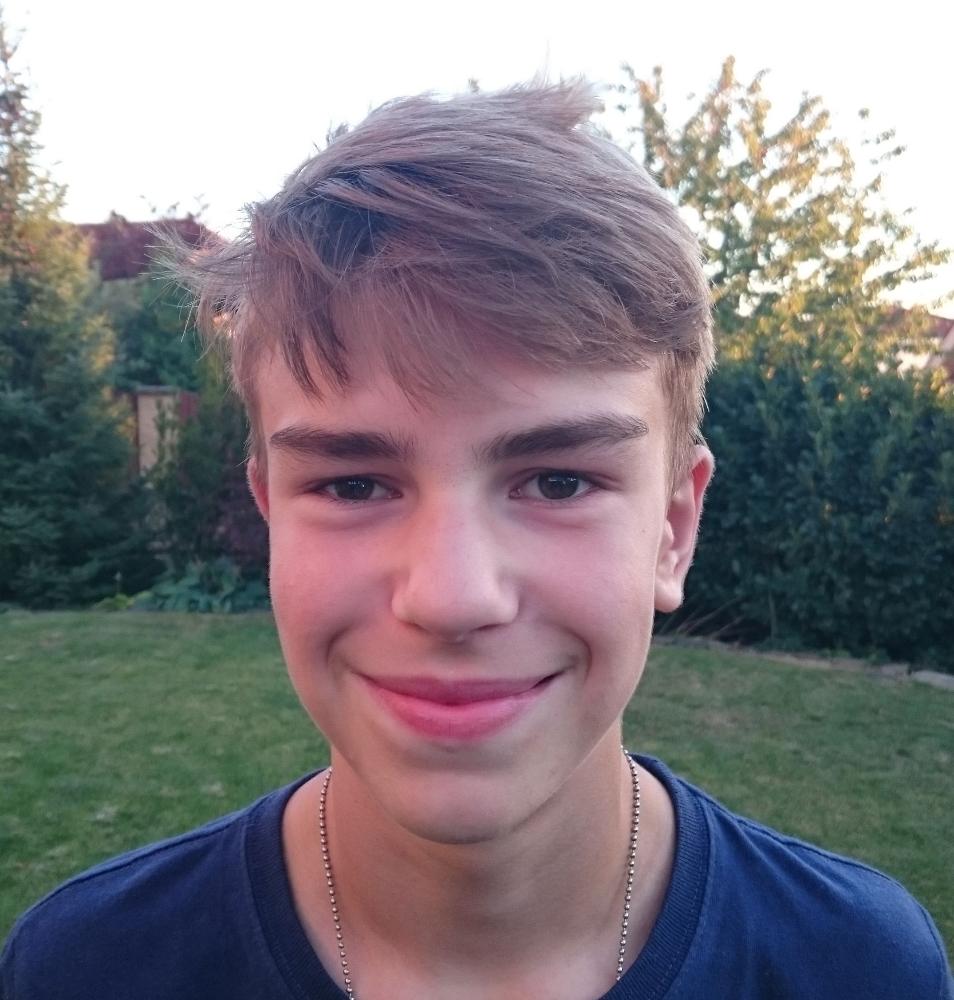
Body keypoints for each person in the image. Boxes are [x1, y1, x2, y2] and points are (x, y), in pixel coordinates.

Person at [2, 80, 951, 1000]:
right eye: (353, 484)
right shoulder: (87, 969)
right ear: (271, 517)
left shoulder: (860, 969)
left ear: (672, 529)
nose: (452, 596)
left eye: (558, 481)